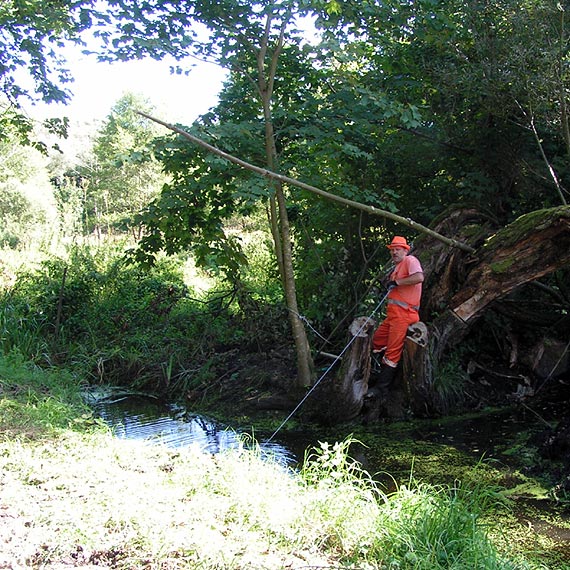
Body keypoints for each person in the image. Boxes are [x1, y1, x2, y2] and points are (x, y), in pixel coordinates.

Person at [367, 235, 424, 400]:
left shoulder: (410, 260)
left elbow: (419, 277)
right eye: (392, 249)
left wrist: (397, 283)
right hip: (393, 316)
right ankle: (375, 374)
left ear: (405, 250)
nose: (394, 252)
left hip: (404, 315)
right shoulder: (397, 267)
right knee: (376, 341)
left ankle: (382, 389)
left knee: (392, 352)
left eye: (397, 249)